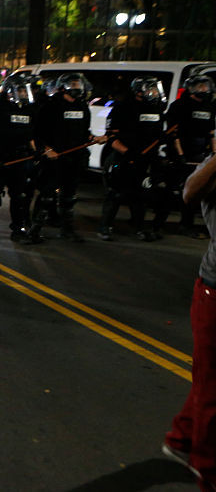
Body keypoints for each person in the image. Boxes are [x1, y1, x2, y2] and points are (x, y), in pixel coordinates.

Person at [163, 152, 216, 489]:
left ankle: (182, 437)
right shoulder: (210, 169)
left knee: (210, 378)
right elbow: (188, 192)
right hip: (215, 290)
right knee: (213, 386)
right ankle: (207, 469)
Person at [30, 72, 103, 243]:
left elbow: (84, 133)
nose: (77, 88)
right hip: (54, 159)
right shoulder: (50, 106)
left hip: (74, 158)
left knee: (69, 196)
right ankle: (34, 230)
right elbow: (36, 133)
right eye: (74, 85)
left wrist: (94, 138)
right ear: (63, 88)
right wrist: (46, 149)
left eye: (79, 85)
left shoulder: (82, 107)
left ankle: (67, 230)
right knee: (47, 195)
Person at [97, 76, 167, 242]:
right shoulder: (122, 108)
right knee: (115, 194)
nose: (154, 92)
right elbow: (111, 137)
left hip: (145, 159)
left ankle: (139, 228)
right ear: (138, 91)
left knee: (141, 195)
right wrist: (127, 153)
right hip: (123, 158)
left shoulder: (156, 109)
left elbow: (157, 133)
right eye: (150, 89)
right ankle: (105, 227)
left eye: (155, 89)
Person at [0, 75, 38, 245]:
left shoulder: (28, 109)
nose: (24, 93)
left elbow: (30, 134)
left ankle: (17, 230)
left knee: (19, 197)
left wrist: (35, 152)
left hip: (20, 159)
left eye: (25, 90)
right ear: (10, 91)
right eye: (20, 90)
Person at [162, 75, 216, 238]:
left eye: (205, 86)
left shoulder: (210, 107)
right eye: (199, 86)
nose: (203, 90)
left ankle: (189, 224)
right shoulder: (179, 106)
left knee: (200, 192)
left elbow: (211, 133)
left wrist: (213, 153)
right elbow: (173, 133)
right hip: (181, 153)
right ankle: (161, 225)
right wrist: (180, 155)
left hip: (200, 154)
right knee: (176, 191)